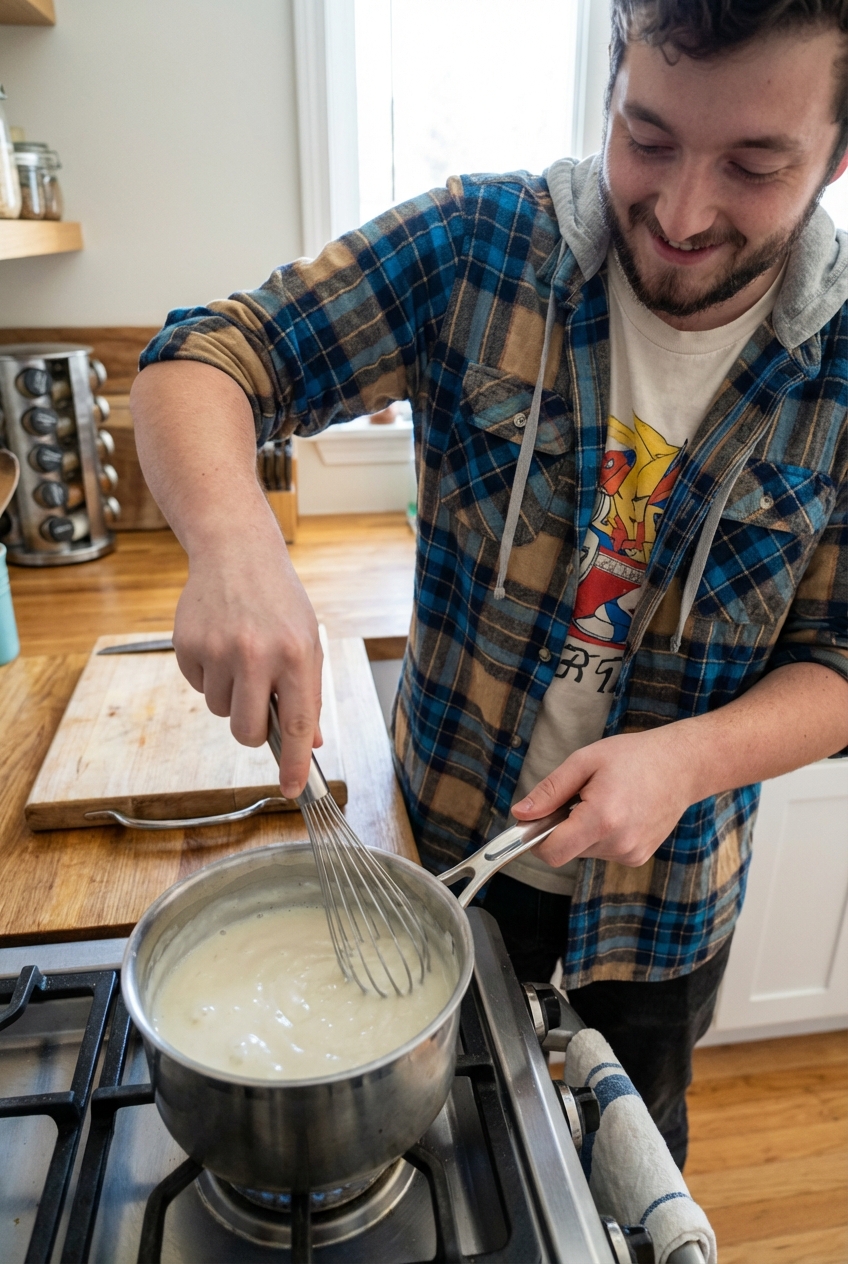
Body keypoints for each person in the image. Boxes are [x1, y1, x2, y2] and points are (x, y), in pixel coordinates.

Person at [130, 0, 848, 1167]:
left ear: (833, 153)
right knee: (431, 1165)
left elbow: (839, 659)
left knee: (622, 1177)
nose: (677, 211)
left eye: (754, 166)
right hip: (440, 853)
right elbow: (207, 354)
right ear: (611, 85)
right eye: (646, 137)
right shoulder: (479, 250)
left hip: (663, 912)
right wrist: (236, 544)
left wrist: (688, 758)